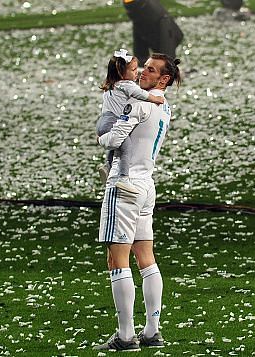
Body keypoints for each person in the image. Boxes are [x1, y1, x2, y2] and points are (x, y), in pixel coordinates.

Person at [93, 53, 181, 351]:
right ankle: (152, 330)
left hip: (124, 184)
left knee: (117, 260)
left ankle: (125, 335)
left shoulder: (141, 103)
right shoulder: (165, 106)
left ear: (164, 79)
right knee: (146, 256)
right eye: (144, 66)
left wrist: (100, 138)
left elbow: (115, 138)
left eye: (151, 69)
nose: (143, 71)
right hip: (146, 185)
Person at [97, 48, 164, 194]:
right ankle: (124, 178)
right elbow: (141, 94)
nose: (137, 73)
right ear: (122, 73)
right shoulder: (127, 85)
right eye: (133, 70)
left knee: (117, 147)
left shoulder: (111, 85)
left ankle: (107, 166)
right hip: (112, 121)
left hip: (103, 121)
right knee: (126, 146)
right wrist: (156, 99)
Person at [122, 0, 183, 67]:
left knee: (166, 64)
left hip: (164, 29)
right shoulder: (138, 12)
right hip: (142, 23)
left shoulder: (160, 18)